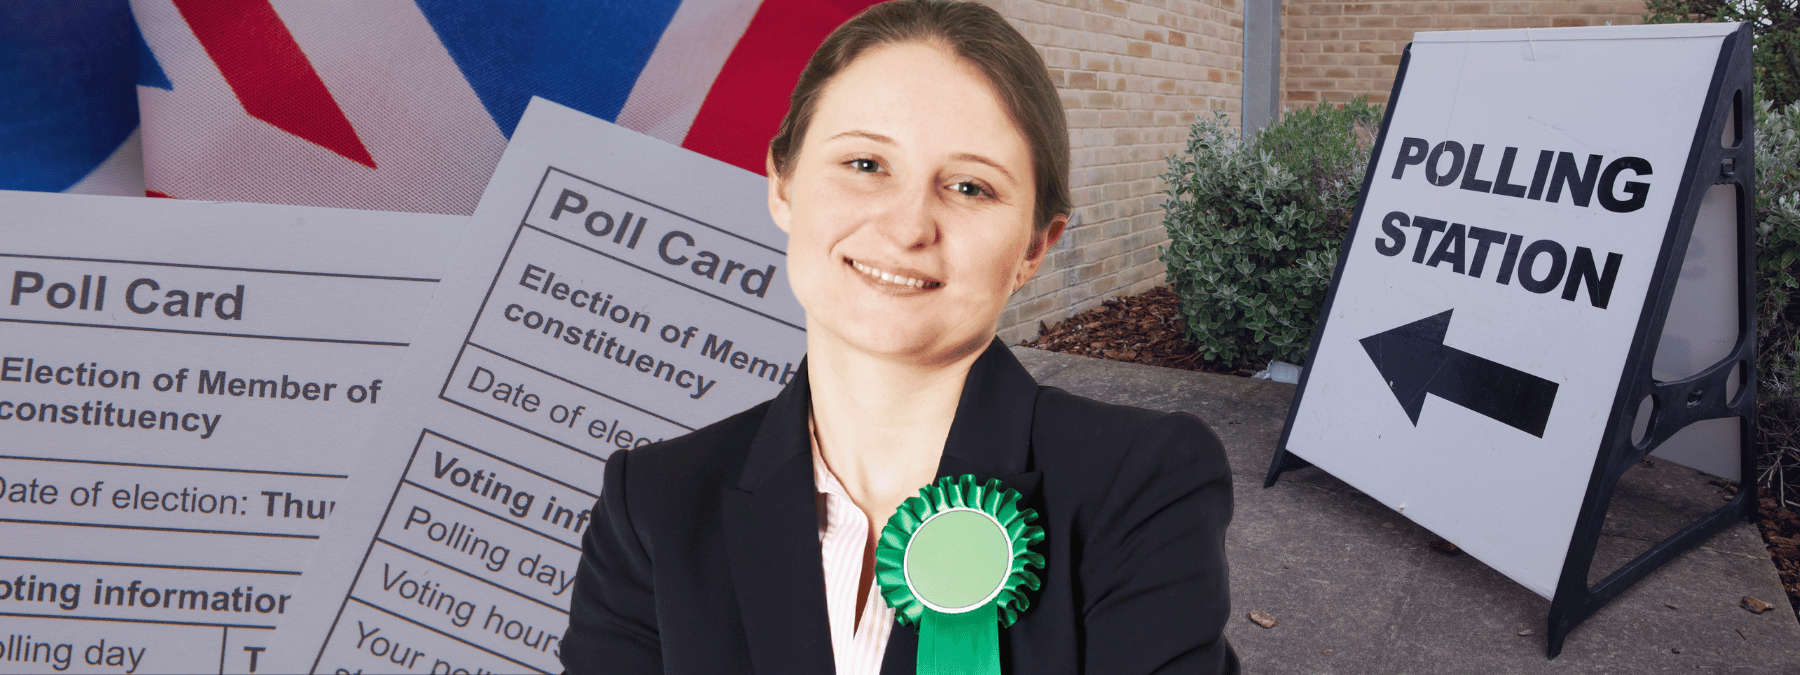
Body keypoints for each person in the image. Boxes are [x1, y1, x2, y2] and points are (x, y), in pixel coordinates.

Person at [560, 1, 1237, 673]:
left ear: (1035, 246)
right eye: (865, 164)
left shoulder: (1141, 488)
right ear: (782, 185)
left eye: (970, 186)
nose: (909, 225)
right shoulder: (653, 505)